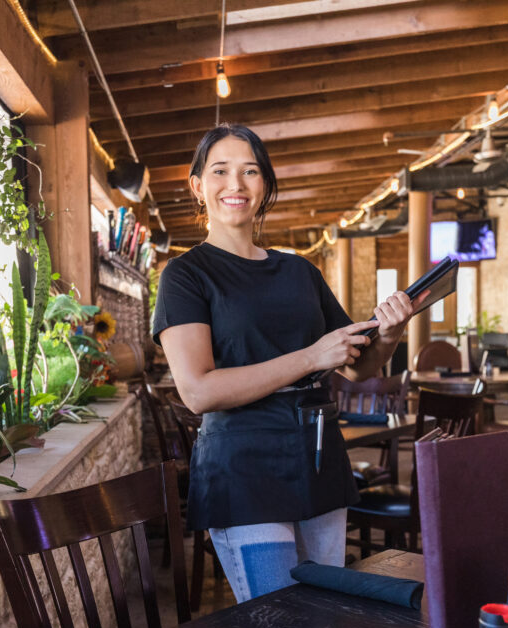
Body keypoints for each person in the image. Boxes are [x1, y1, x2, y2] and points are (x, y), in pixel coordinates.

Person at [151, 123, 415, 602]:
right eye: (221, 171)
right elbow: (198, 391)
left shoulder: (299, 271)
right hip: (244, 469)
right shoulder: (186, 275)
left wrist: (390, 333)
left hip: (317, 458)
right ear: (197, 185)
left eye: (250, 171)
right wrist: (312, 356)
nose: (236, 184)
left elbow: (358, 367)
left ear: (266, 185)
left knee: (325, 615)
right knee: (279, 622)